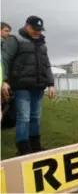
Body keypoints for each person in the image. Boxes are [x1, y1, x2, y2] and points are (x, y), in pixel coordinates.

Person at [1, 15, 55, 156]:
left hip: (38, 86)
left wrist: (51, 83)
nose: (38, 32)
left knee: (35, 117)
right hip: (21, 86)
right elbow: (4, 61)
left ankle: (35, 147)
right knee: (23, 117)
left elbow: (46, 65)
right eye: (35, 29)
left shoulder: (42, 44)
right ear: (27, 26)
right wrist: (4, 81)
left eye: (39, 29)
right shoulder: (15, 40)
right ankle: (23, 150)